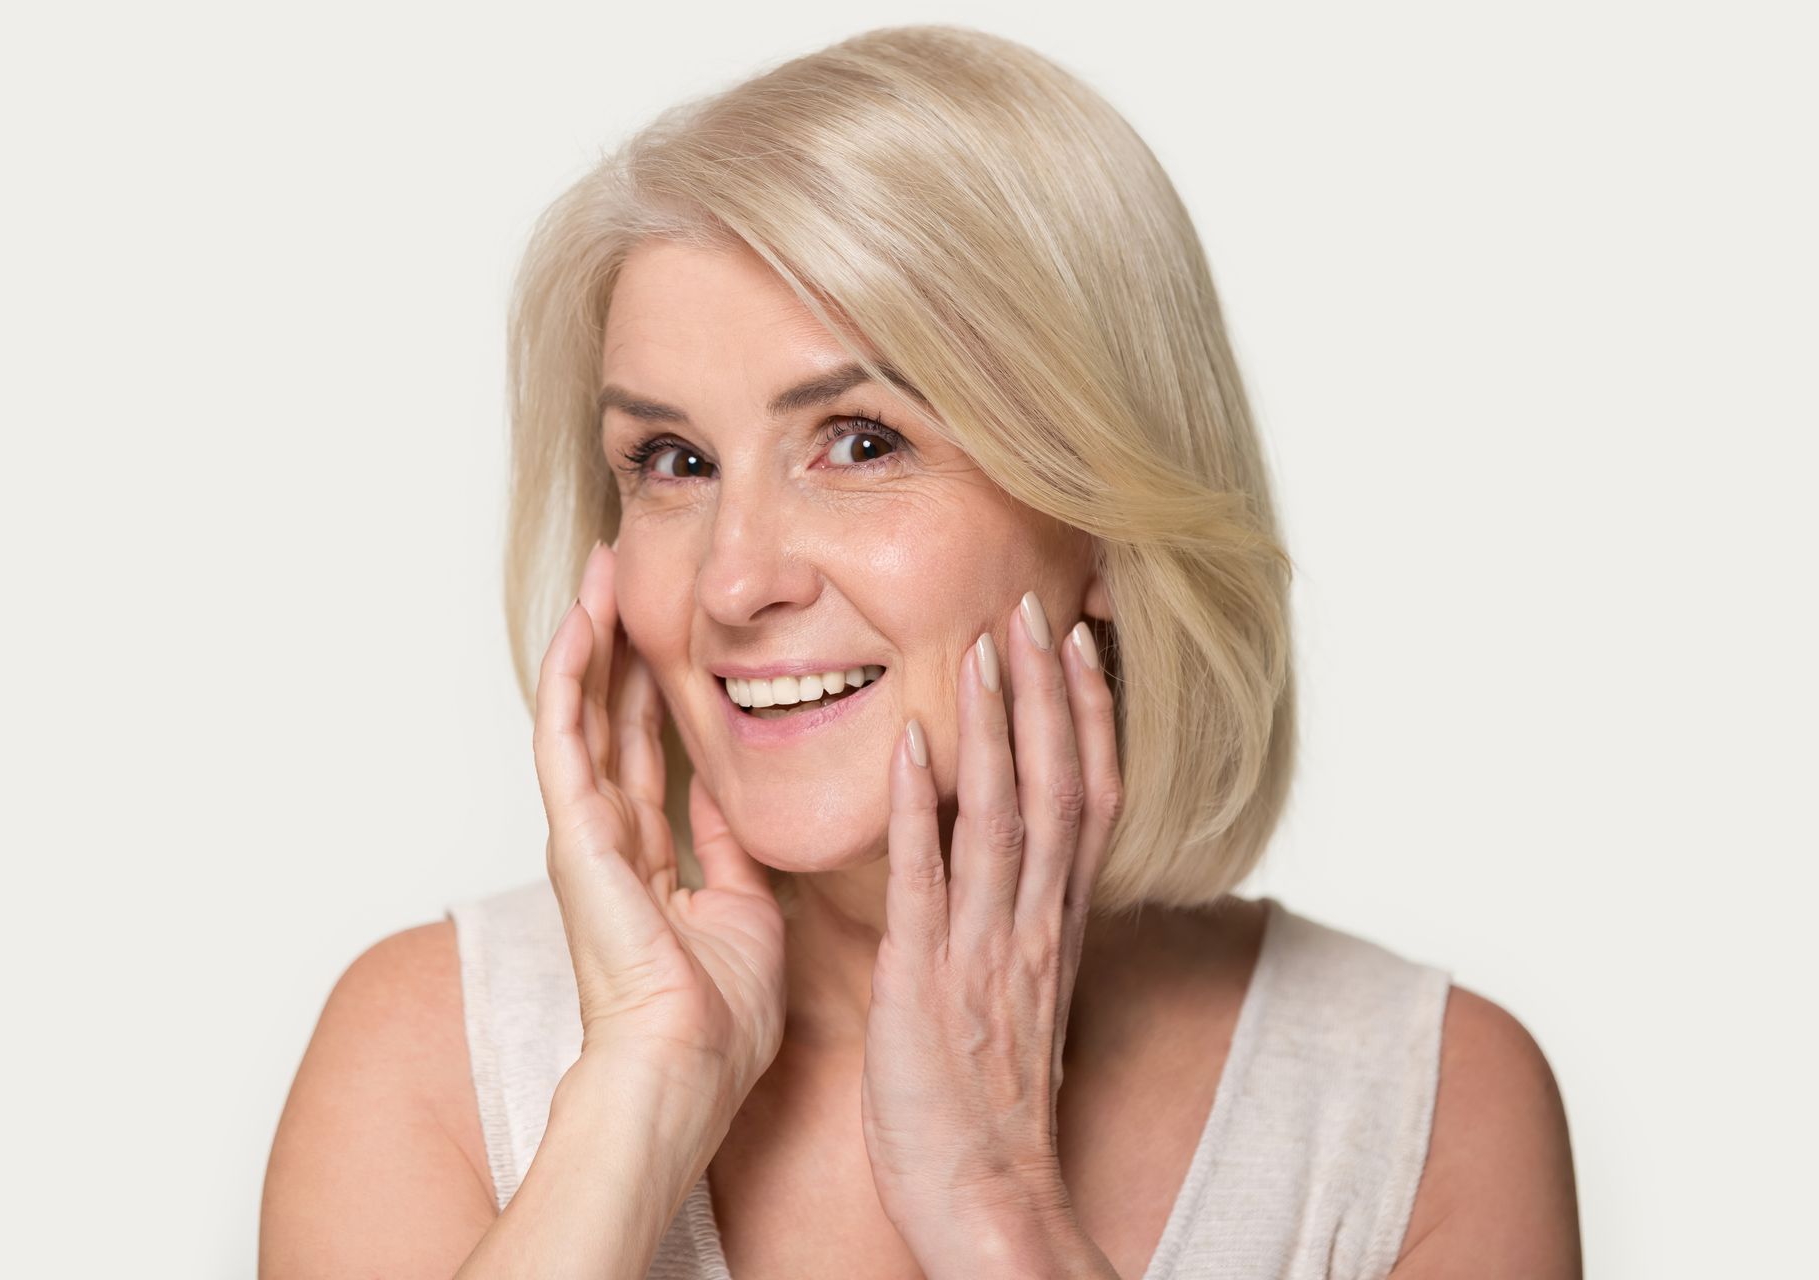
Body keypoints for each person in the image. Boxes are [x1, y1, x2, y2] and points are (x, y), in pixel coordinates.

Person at [260, 24, 1581, 1279]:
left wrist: (1000, 1211)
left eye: (860, 442)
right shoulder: (427, 1051)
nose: (732, 578)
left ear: (1110, 523)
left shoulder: (1419, 1103)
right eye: (673, 461)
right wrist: (641, 1092)